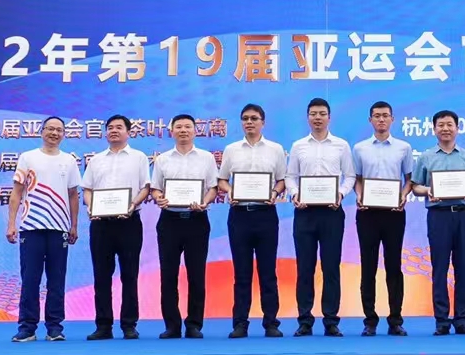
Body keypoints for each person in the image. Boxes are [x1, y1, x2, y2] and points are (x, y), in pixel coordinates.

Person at [6, 118, 80, 343]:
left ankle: (54, 328)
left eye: (59, 130)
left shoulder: (69, 160)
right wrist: (11, 223)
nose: (54, 133)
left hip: (59, 227)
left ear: (64, 134)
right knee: (30, 279)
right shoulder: (28, 157)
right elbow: (17, 192)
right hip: (31, 227)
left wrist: (74, 225)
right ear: (42, 132)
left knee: (57, 280)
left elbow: (73, 195)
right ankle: (27, 328)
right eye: (50, 129)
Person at [285, 97, 355, 336]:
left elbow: (350, 176)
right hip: (304, 213)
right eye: (313, 114)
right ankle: (305, 320)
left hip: (331, 213)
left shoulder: (341, 145)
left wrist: (340, 193)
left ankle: (331, 320)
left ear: (329, 117)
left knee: (331, 267)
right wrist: (295, 194)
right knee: (305, 268)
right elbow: (290, 177)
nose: (318, 118)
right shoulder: (298, 146)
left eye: (322, 113)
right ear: (307, 117)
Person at [217, 103, 286, 338]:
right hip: (239, 216)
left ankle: (271, 323)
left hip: (266, 215)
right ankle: (240, 323)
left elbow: (282, 180)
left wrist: (274, 193)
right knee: (242, 273)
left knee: (268, 272)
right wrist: (231, 191)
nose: (249, 122)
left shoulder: (275, 149)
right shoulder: (231, 149)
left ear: (263, 122)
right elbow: (222, 179)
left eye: (254, 118)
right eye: (245, 118)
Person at [412, 109, 465, 335]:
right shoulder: (426, 157)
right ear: (434, 129)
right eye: (441, 125)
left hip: (462, 215)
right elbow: (415, 186)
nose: (445, 129)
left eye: (449, 125)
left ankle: (462, 320)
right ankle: (441, 321)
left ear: (457, 128)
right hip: (438, 215)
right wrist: (428, 191)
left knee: (463, 268)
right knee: (439, 269)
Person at [150, 113, 219, 339]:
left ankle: (194, 324)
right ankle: (172, 325)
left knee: (196, 274)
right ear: (171, 131)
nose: (183, 130)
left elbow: (213, 187)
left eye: (187, 127)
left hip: (197, 220)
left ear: (195, 131)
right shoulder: (162, 159)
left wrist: (204, 202)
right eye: (178, 127)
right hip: (169, 221)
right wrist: (159, 198)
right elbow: (155, 188)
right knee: (168, 274)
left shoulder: (206, 158)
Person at [83, 114, 149, 340]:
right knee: (101, 276)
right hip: (100, 224)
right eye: (110, 127)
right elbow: (88, 189)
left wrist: (132, 205)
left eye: (119, 127)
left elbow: (145, 187)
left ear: (128, 132)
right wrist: (91, 207)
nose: (113, 131)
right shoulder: (96, 160)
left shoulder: (139, 157)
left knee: (129, 275)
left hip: (129, 222)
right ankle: (103, 325)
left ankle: (129, 325)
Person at [351, 100, 412, 336]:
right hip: (367, 213)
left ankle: (395, 320)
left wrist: (403, 196)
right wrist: (359, 196)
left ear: (392, 119)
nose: (381, 119)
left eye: (385, 115)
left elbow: (409, 180)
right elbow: (357, 179)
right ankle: (370, 320)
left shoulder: (403, 147)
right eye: (377, 116)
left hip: (394, 214)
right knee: (368, 266)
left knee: (394, 266)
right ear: (370, 120)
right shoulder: (360, 148)